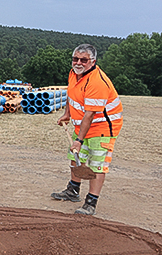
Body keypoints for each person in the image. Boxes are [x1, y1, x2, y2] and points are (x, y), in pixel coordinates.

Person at [52, 44, 123, 215]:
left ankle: (91, 202)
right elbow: (71, 94)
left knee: (97, 165)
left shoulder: (97, 82)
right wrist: (67, 114)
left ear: (92, 61)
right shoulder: (74, 74)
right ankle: (73, 190)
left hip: (102, 129)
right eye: (75, 59)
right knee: (76, 158)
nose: (78, 63)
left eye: (83, 60)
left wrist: (78, 141)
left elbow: (90, 115)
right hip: (81, 125)